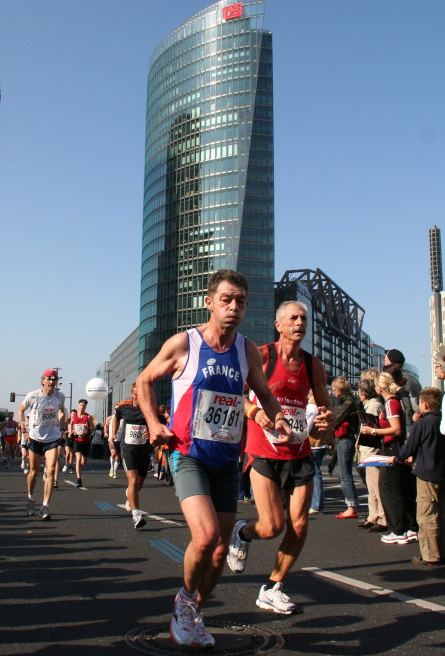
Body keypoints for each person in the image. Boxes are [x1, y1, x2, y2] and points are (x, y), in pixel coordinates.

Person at [137, 270, 293, 649]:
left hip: (225, 460)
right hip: (188, 454)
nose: (234, 306)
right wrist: (154, 423)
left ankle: (193, 612)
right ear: (209, 302)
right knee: (206, 537)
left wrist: (280, 420)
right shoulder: (184, 344)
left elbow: (264, 394)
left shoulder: (246, 350)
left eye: (241, 301)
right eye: (226, 299)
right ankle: (185, 601)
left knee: (221, 550)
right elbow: (143, 381)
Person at [226, 300, 332, 616]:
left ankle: (273, 587)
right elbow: (235, 393)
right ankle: (243, 532)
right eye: (293, 318)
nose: (300, 323)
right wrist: (254, 412)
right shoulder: (262, 355)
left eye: (304, 318)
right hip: (263, 450)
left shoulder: (313, 365)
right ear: (279, 325)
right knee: (273, 526)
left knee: (299, 524)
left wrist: (326, 417)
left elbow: (325, 405)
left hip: (299, 451)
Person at [388, 387, 444, 565]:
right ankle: (441, 549)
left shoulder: (423, 424)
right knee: (441, 513)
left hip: (427, 472)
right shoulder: (441, 421)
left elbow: (410, 447)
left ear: (425, 404)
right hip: (442, 471)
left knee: (426, 514)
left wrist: (398, 458)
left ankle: (430, 554)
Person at [360, 372, 418, 544]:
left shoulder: (391, 403)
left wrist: (373, 431)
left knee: (389, 489)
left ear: (379, 387)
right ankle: (409, 527)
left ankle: (398, 529)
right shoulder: (396, 401)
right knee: (401, 488)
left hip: (393, 448)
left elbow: (396, 429)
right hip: (395, 447)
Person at [18, 369, 66, 520]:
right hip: (35, 437)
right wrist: (24, 430)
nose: (51, 382)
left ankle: (45, 506)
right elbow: (21, 410)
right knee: (34, 471)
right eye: (48, 379)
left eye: (54, 379)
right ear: (43, 380)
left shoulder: (60, 396)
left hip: (52, 437)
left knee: (50, 470)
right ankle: (31, 498)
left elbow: (62, 411)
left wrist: (62, 427)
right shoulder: (33, 396)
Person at [113, 383, 160, 529]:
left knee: (139, 484)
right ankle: (136, 515)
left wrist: (151, 432)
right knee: (133, 480)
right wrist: (113, 434)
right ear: (131, 394)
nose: (138, 398)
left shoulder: (151, 409)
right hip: (128, 448)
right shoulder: (124, 408)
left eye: (141, 395)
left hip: (144, 450)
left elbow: (161, 424)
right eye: (136, 395)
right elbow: (116, 417)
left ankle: (130, 496)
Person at [356, 378, 386, 531]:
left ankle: (382, 517)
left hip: (372, 449)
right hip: (367, 448)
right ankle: (373, 515)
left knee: (375, 484)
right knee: (371, 485)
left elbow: (372, 428)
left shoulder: (374, 406)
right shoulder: (370, 405)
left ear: (364, 393)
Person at [332, 376, 360, 519]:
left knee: (345, 474)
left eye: (334, 389)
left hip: (345, 439)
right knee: (343, 473)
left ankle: (351, 506)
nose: (333, 392)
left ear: (340, 390)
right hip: (344, 439)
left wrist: (328, 423)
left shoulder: (347, 402)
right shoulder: (348, 401)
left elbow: (337, 418)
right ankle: (350, 505)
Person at [308, 390, 334, 514]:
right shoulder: (324, 403)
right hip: (323, 442)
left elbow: (307, 426)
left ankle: (316, 504)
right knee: (315, 471)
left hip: (314, 442)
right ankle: (316, 502)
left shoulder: (312, 405)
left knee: (314, 472)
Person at [69, 399, 95, 488]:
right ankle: (79, 479)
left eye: (84, 406)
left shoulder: (88, 417)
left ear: (85, 407)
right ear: (78, 406)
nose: (82, 407)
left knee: (84, 461)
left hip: (86, 440)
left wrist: (88, 427)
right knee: (78, 458)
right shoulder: (74, 416)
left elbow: (94, 428)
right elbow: (71, 424)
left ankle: (80, 466)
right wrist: (70, 432)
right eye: (81, 405)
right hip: (77, 439)